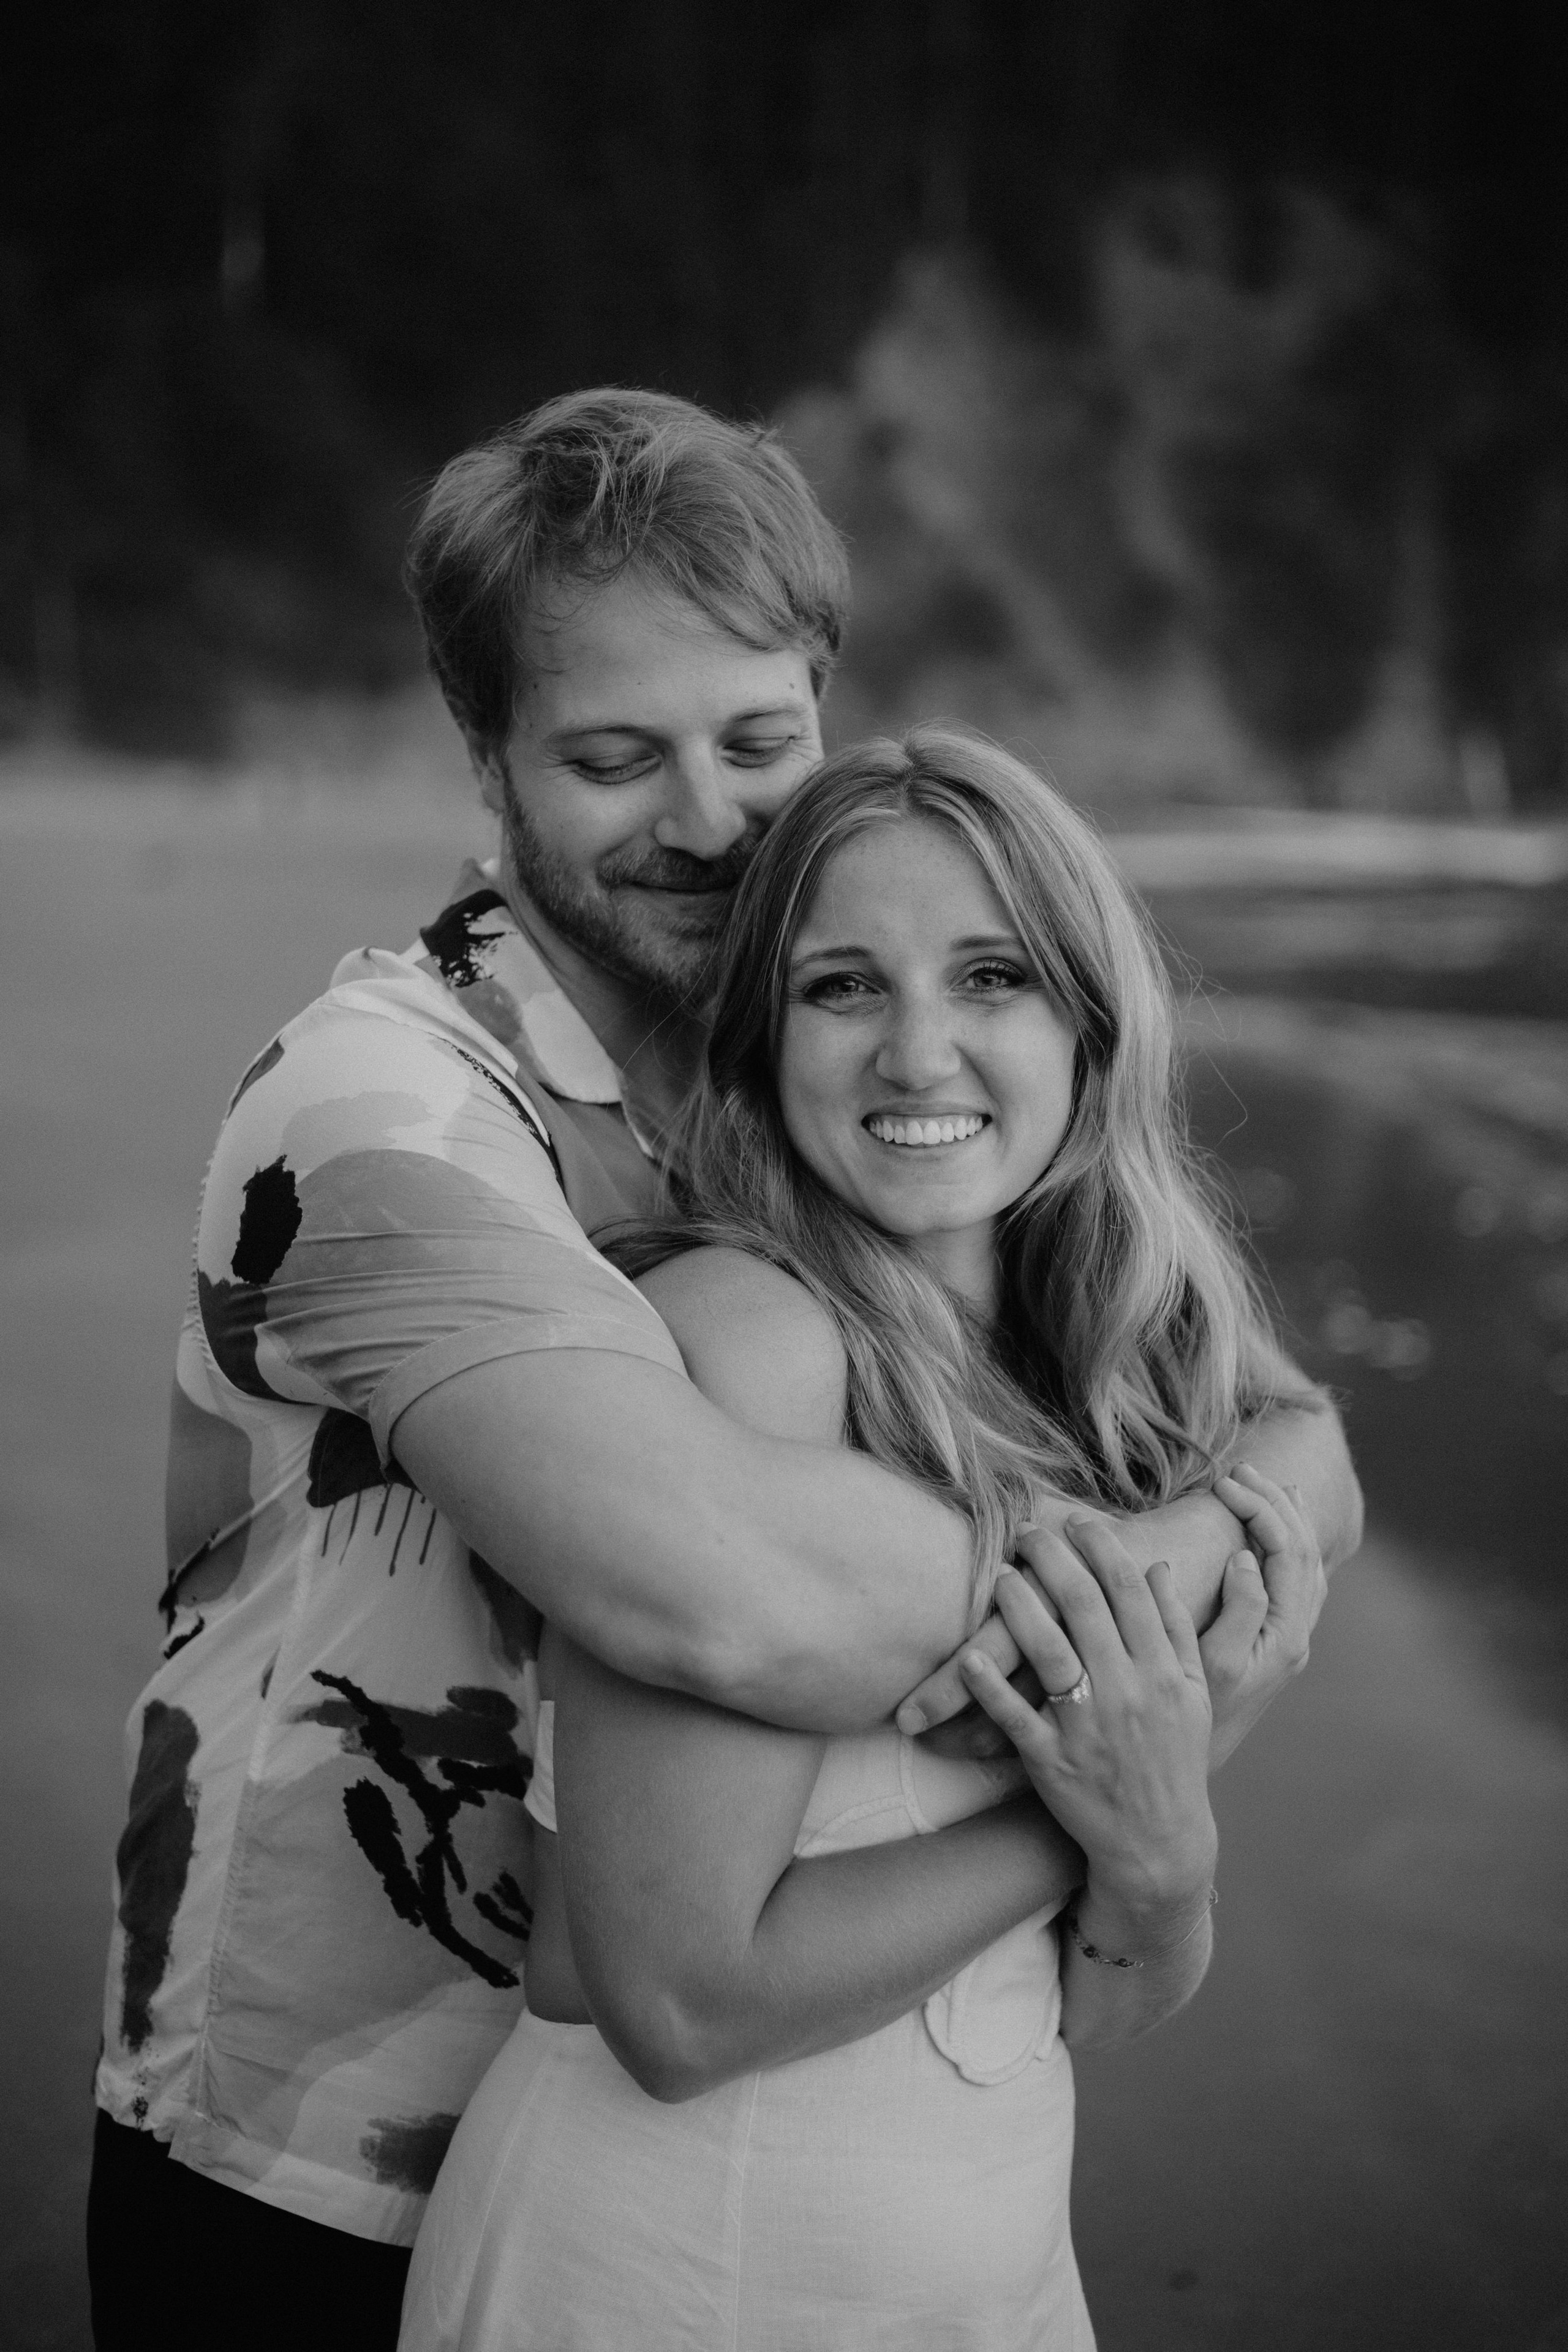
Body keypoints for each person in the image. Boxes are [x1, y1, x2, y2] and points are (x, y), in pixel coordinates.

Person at [88, 392, 1361, 2352]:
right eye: (613, 757)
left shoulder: (794, 1090)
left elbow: (1286, 1425)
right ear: (486, 750)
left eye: (762, 744)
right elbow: (727, 1596)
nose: (708, 822)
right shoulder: (383, 1120)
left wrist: (1232, 1536)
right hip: (319, 2152)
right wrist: (1157, 1665)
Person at [400, 728, 1330, 2350]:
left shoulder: (1114, 1388)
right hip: (674, 2278)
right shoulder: (752, 1341)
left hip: (988, 2281)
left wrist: (1165, 1862)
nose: (919, 1053)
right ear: (763, 1042)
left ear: (1090, 1026)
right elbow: (670, 2003)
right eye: (843, 987)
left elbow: (1097, 1999)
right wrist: (1103, 1816)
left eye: (991, 977)